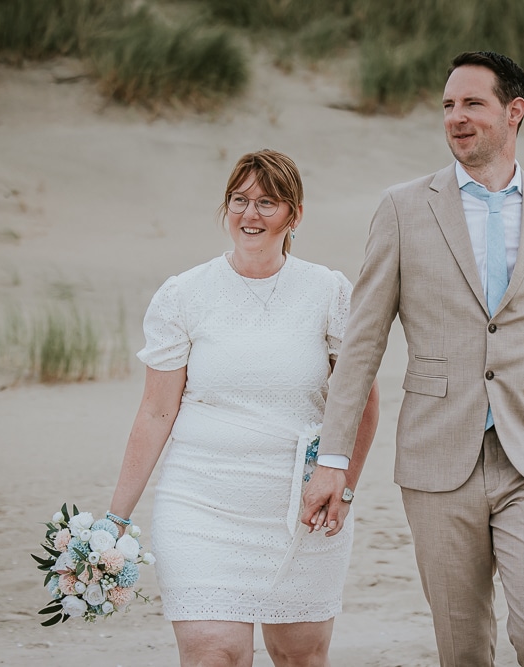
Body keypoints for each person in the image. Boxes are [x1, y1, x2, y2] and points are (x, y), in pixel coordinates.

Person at [301, 51, 524, 667]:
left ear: (514, 112)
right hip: (438, 458)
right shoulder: (403, 207)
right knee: (462, 648)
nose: (456, 118)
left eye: (472, 104)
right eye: (447, 106)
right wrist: (332, 459)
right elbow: (362, 342)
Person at [108, 149, 380, 667]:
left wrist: (343, 487)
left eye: (267, 203)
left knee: (299, 655)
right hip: (200, 505)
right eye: (239, 200)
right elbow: (155, 413)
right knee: (216, 653)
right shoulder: (183, 295)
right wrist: (116, 517)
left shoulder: (329, 292)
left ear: (294, 215)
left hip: (302, 508)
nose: (250, 214)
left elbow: (361, 402)